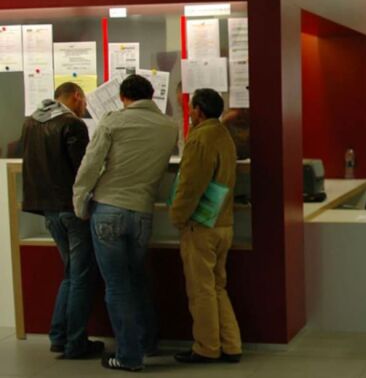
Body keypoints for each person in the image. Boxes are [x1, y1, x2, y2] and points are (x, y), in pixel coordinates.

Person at [73, 75, 179, 372]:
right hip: (143, 213)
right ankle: (147, 342)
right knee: (138, 279)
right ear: (152, 95)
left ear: (122, 97)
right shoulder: (169, 127)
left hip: (108, 209)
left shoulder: (113, 122)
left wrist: (80, 202)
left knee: (117, 286)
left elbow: (90, 165)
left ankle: (128, 356)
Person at [20, 82, 104, 359]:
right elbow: (84, 169)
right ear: (77, 97)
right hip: (72, 209)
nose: (84, 108)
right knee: (80, 276)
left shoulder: (31, 123)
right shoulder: (72, 124)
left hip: (47, 210)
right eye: (84, 102)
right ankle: (75, 341)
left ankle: (58, 336)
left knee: (70, 273)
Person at [170, 89, 242, 364]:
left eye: (191, 108)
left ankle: (206, 347)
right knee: (217, 286)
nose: (190, 113)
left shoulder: (200, 139)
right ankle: (231, 344)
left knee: (200, 290)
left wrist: (178, 216)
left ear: (198, 110)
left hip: (201, 226)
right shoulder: (224, 136)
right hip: (224, 223)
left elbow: (191, 185)